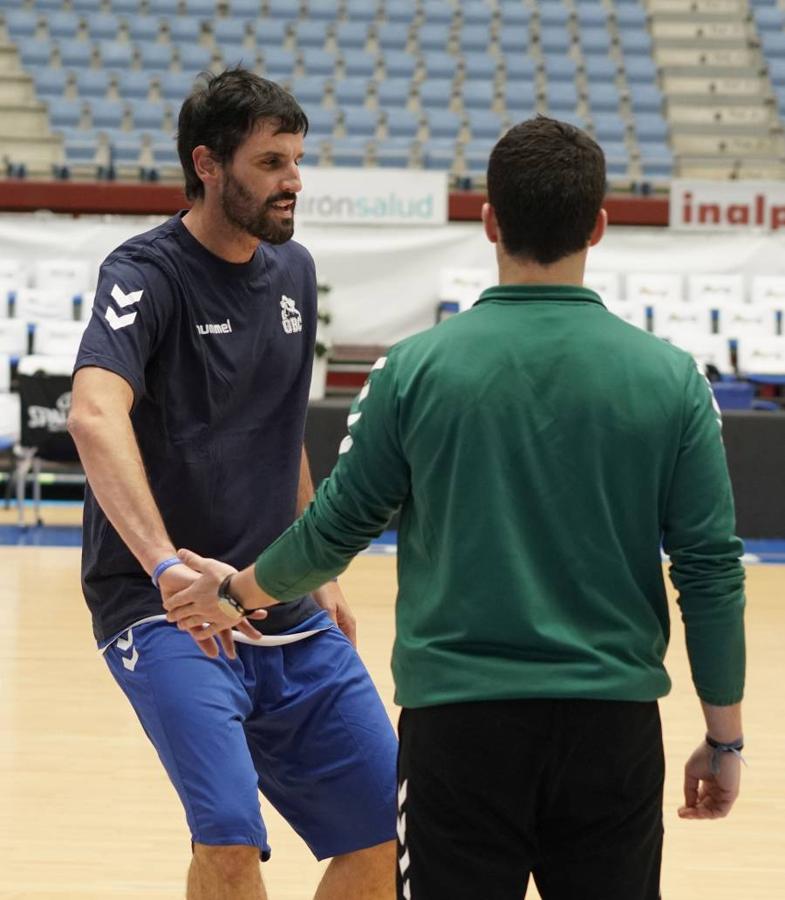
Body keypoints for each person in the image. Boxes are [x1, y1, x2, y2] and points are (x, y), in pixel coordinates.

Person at [164, 117, 746, 900]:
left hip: (458, 729)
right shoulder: (672, 379)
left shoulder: (413, 370)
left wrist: (233, 593)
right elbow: (708, 572)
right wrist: (722, 738)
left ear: (489, 221)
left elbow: (333, 532)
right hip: (611, 728)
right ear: (599, 227)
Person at [67, 68, 397, 900]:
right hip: (165, 607)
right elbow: (93, 417)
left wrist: (313, 567)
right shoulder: (145, 274)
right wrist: (166, 568)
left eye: (296, 159)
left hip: (271, 596)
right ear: (207, 165)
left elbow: (280, 429)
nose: (293, 180)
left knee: (385, 836)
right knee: (228, 843)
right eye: (271, 161)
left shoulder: (294, 273)